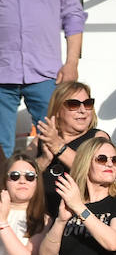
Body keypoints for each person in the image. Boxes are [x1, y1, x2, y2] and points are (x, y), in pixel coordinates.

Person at [0, 0, 86, 159]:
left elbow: (74, 16)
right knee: (0, 148)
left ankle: (54, 198)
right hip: (2, 74)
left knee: (56, 141)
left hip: (46, 74)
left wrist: (71, 63)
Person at [34, 79, 105, 213]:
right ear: (58, 110)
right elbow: (20, 174)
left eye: (88, 104)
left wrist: (58, 147)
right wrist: (43, 160)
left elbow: (96, 171)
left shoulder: (98, 137)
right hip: (41, 214)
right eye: (74, 105)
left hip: (80, 217)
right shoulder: (43, 138)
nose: (83, 110)